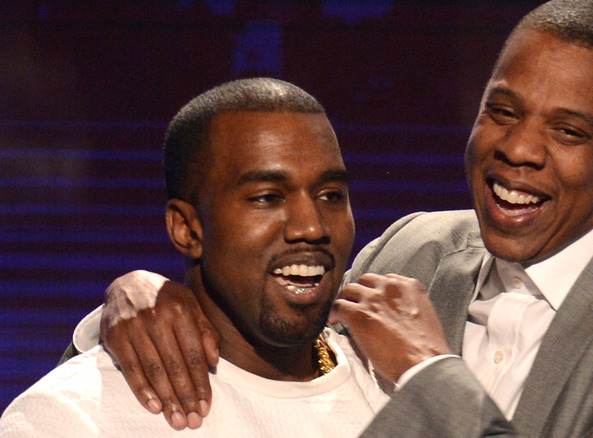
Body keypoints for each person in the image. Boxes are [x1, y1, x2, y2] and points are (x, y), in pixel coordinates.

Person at [58, 0, 593, 436]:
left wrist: (428, 370)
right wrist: (140, 303)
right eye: (502, 110)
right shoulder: (418, 246)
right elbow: (264, 337)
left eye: (568, 132)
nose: (517, 149)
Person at [0, 77, 390, 437]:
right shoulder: (72, 419)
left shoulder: (394, 385)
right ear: (187, 229)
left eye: (331, 196)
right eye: (267, 197)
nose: (311, 226)